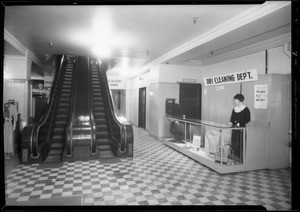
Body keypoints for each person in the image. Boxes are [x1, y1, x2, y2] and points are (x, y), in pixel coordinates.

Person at [228, 94, 251, 163]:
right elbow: (232, 117)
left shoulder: (245, 109)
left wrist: (240, 123)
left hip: (241, 130)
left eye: (235, 100)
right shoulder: (234, 108)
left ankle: (240, 159)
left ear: (240, 100)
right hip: (234, 129)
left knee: (240, 143)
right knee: (234, 143)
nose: (234, 101)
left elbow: (248, 119)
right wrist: (231, 122)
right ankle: (234, 158)